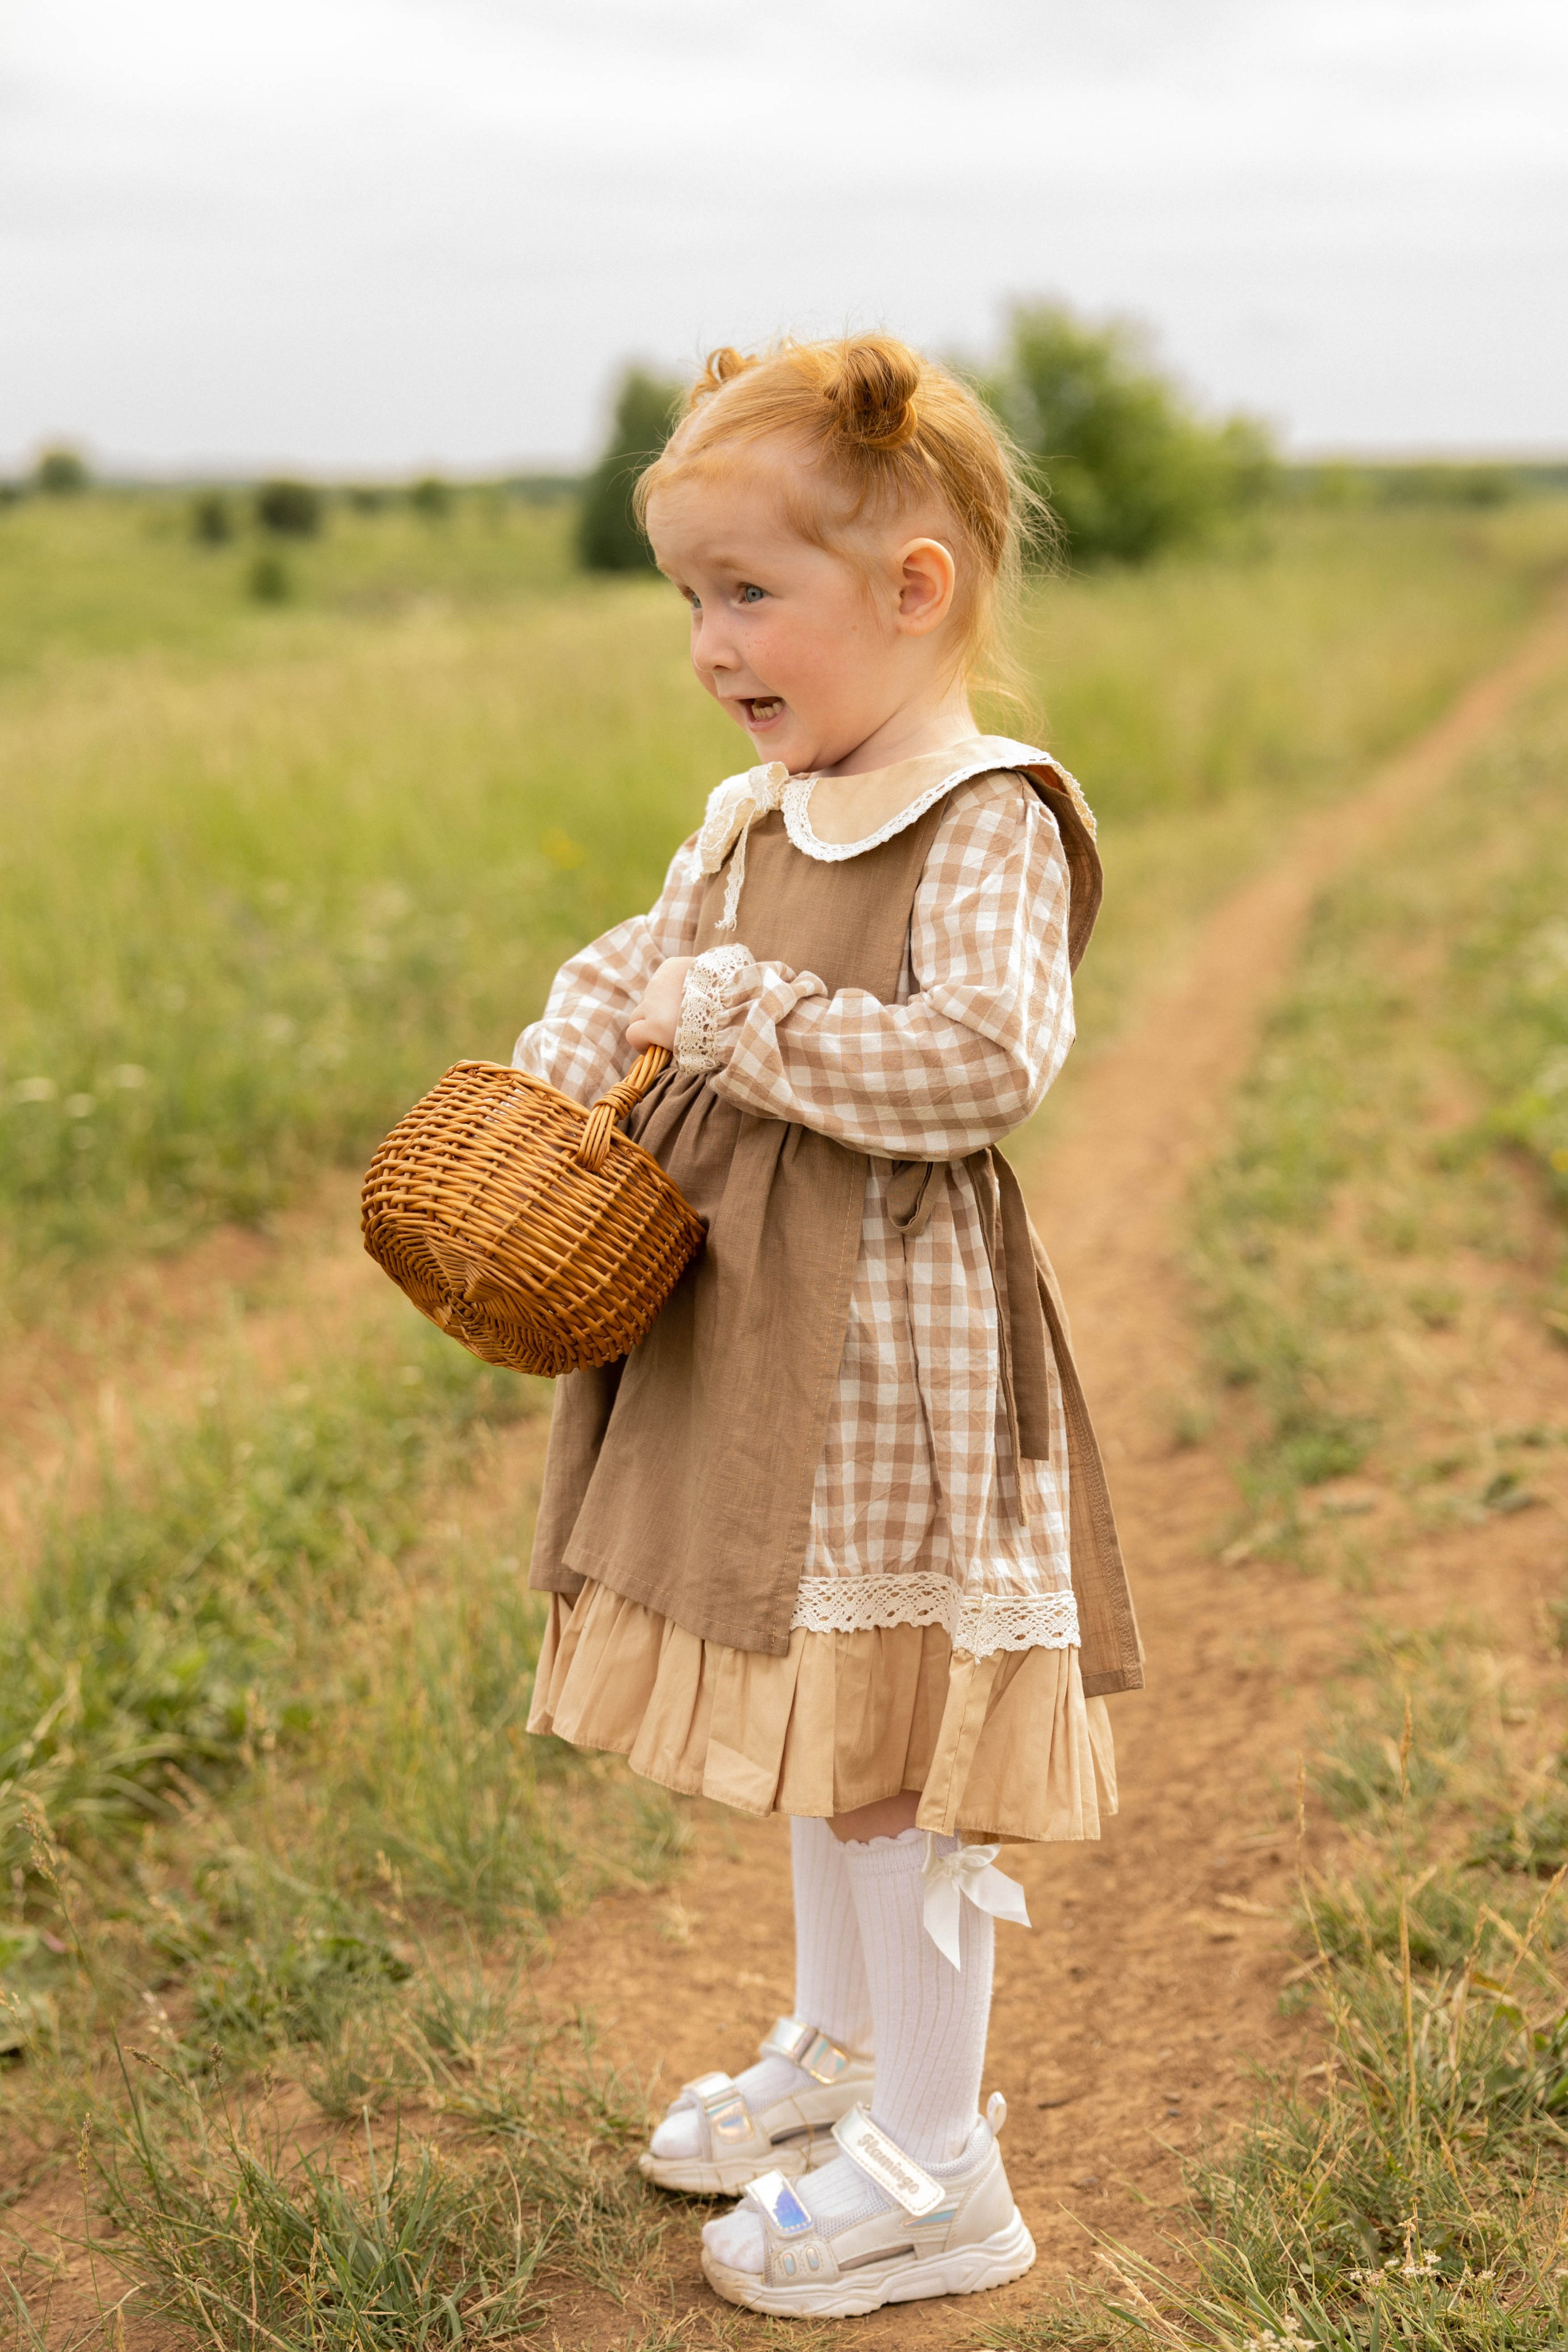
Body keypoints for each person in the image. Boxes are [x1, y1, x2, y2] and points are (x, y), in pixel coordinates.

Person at [513, 332, 1141, 2319]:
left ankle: (943, 2165)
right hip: (755, 1339)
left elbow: (983, 1060)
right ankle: (848, 2054)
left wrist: (726, 1019)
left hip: (892, 1361)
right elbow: (643, 959)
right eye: (691, 599)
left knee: (895, 1749)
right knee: (820, 1722)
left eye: (747, 592)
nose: (711, 644)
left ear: (912, 588)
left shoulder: (984, 817)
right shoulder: (756, 809)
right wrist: (568, 1046)